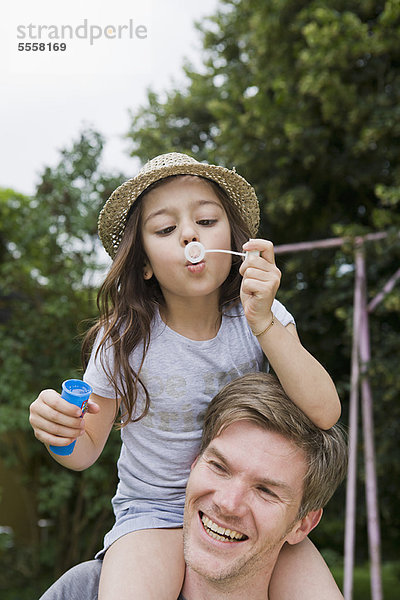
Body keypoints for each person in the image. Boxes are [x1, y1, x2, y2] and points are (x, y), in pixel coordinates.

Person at [30, 152, 341, 600]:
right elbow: (85, 450)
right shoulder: (124, 340)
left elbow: (324, 412)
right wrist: (60, 432)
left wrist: (264, 323)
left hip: (244, 507)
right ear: (144, 265)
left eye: (207, 220)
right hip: (153, 513)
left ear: (234, 241)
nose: (190, 234)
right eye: (165, 229)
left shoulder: (262, 317)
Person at [39, 373, 347, 600]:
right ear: (194, 464)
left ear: (302, 524)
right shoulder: (85, 591)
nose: (228, 503)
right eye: (218, 467)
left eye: (265, 491)